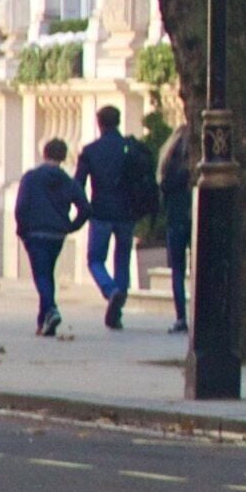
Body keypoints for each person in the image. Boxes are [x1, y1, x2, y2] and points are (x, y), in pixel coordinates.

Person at [74, 103, 149, 330]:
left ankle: (110, 289)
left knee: (95, 259)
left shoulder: (90, 151)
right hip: (127, 212)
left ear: (99, 123)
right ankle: (118, 304)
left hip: (101, 211)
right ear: (118, 121)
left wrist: (82, 208)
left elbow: (78, 184)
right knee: (122, 258)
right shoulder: (129, 147)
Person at [13, 137, 79, 337]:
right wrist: (69, 226)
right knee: (47, 274)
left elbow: (21, 207)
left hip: (35, 233)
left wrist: (22, 229)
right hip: (56, 234)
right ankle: (43, 322)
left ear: (45, 153)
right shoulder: (68, 181)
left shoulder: (31, 177)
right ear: (64, 157)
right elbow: (85, 208)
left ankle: (50, 309)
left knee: (41, 275)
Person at [157, 126, 195, 333]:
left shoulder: (169, 164)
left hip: (176, 218)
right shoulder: (196, 164)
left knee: (178, 271)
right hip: (196, 217)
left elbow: (163, 190)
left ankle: (181, 316)